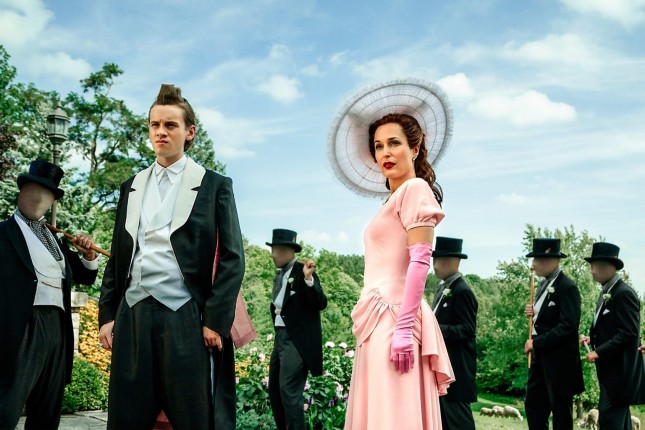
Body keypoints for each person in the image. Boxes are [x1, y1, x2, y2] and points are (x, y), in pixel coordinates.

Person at [98, 84, 245, 430]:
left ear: (189, 132)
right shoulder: (131, 186)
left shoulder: (214, 185)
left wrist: (215, 319)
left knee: (194, 419)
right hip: (132, 315)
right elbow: (119, 257)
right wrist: (107, 314)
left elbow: (233, 257)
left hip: (185, 318)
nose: (160, 132)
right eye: (154, 124)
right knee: (125, 420)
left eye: (170, 125)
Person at [343, 112, 454, 429]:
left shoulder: (415, 189)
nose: (385, 153)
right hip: (375, 319)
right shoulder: (392, 200)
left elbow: (420, 262)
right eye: (378, 146)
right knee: (380, 411)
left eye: (394, 143)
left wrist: (404, 329)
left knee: (393, 413)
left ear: (415, 149)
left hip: (395, 318)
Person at [0, 160, 99, 429]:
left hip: (58, 329)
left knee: (47, 409)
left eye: (45, 194)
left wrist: (89, 255)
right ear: (21, 191)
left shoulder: (55, 240)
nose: (38, 199)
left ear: (52, 200)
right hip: (23, 326)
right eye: (33, 191)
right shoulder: (3, 234)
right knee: (6, 407)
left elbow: (85, 276)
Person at [266, 228, 327, 430]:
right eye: (272, 249)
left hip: (296, 341)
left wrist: (309, 279)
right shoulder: (279, 275)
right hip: (280, 337)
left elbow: (320, 302)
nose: (273, 255)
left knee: (289, 392)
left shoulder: (303, 272)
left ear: (289, 251)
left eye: (277, 250)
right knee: (275, 390)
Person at [580, 242, 645, 429]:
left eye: (594, 266)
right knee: (618, 422)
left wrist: (598, 351)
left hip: (620, 375)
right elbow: (612, 329)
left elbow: (629, 332)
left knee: (609, 419)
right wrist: (593, 340)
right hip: (610, 373)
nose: (591, 270)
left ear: (608, 267)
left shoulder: (624, 294)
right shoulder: (606, 293)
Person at [523, 238, 584, 430]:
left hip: (560, 363)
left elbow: (568, 326)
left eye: (537, 260)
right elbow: (547, 317)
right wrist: (534, 312)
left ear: (552, 261)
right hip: (540, 359)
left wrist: (536, 342)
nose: (533, 265)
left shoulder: (568, 287)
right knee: (533, 406)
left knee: (560, 413)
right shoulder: (543, 285)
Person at [431, 237, 478, 430]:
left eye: (438, 260)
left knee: (459, 421)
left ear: (453, 262)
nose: (434, 265)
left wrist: (433, 329)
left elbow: (467, 329)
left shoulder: (462, 291)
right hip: (443, 367)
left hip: (457, 368)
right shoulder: (443, 289)